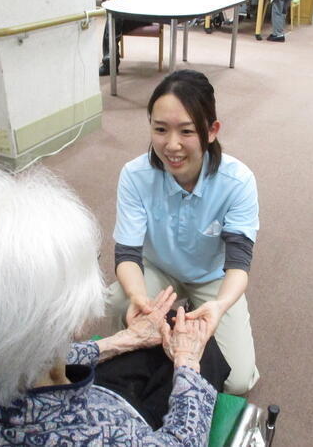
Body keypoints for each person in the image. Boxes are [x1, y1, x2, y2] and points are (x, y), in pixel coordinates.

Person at [0, 167, 217, 445]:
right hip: (115, 415)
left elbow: (17, 366)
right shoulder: (104, 437)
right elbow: (180, 441)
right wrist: (188, 363)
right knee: (198, 343)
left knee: (166, 330)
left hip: (60, 398)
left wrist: (120, 341)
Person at [109, 69, 260, 395]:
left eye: (186, 131)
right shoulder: (135, 176)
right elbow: (127, 254)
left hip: (211, 277)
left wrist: (219, 306)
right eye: (160, 129)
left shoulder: (238, 182)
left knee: (236, 380)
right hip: (159, 271)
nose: (172, 145)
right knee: (117, 300)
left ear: (211, 130)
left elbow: (239, 263)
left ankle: (193, 309)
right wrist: (138, 298)